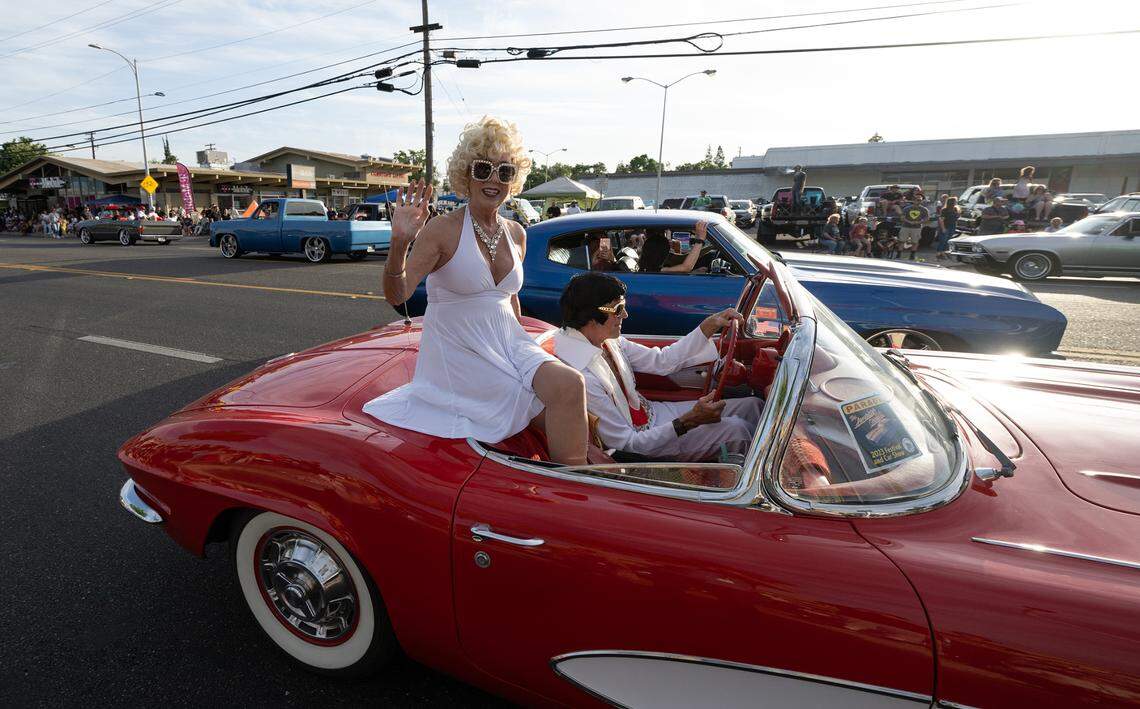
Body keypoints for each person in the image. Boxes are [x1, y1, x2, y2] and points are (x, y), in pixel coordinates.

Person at [363, 116, 588, 465]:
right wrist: (399, 242)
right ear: (466, 175)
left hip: (508, 343)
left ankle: (578, 490)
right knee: (532, 403)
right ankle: (567, 494)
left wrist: (526, 349)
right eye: (483, 169)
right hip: (459, 352)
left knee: (571, 384)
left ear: (514, 180)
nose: (494, 180)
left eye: (505, 171)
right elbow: (398, 295)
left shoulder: (517, 233)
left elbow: (509, 299)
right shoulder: (443, 229)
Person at [550, 273, 762, 461]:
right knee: (738, 430)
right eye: (618, 309)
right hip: (647, 444)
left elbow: (661, 361)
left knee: (752, 405)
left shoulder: (607, 340)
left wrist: (708, 326)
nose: (625, 315)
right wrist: (687, 422)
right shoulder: (582, 376)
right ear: (591, 316)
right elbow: (628, 443)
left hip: (653, 416)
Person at [640, 221, 710, 273]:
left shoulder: (645, 268)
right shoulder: (656, 271)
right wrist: (700, 240)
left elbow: (683, 260)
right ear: (662, 254)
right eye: (668, 250)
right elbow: (686, 267)